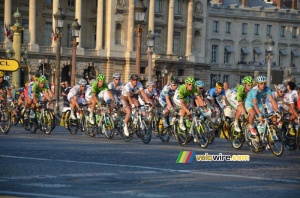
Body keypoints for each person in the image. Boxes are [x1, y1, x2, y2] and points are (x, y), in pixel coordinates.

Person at [244, 75, 279, 140]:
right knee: (253, 113)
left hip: (259, 103)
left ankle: (262, 134)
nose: (263, 85)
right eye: (261, 83)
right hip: (249, 103)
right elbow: (254, 104)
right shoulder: (254, 90)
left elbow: (272, 100)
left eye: (264, 83)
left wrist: (277, 110)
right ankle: (251, 127)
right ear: (257, 84)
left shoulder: (267, 88)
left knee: (264, 118)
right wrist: (259, 114)